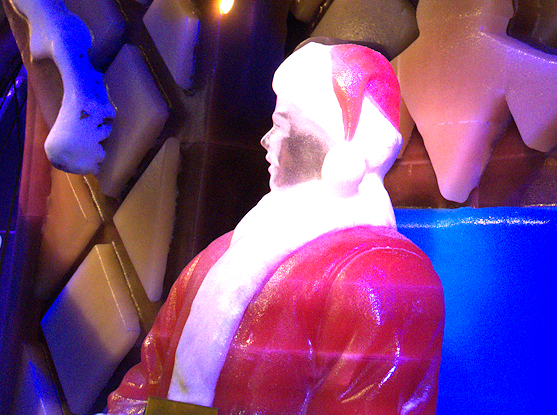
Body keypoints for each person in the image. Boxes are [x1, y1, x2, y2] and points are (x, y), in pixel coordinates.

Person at [105, 42, 443, 415]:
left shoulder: (385, 275)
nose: (267, 141)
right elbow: (142, 384)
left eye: (281, 125)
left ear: (332, 145)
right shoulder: (217, 256)